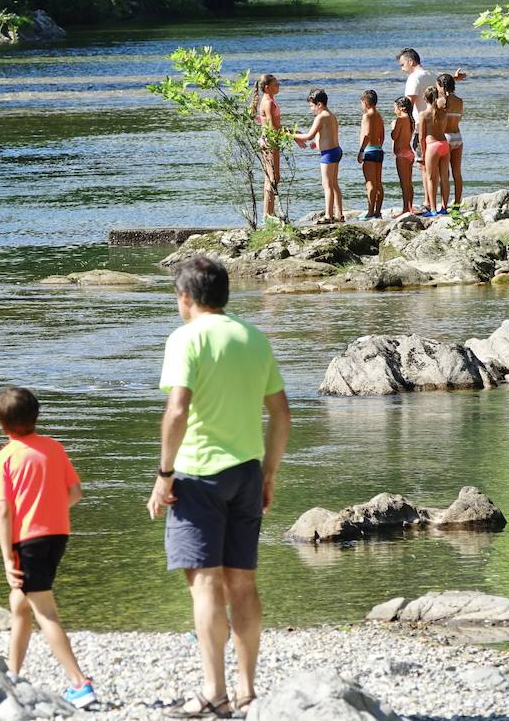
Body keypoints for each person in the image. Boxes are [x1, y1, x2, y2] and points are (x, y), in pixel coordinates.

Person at [148, 257, 291, 719]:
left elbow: (176, 412)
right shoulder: (254, 338)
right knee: (243, 584)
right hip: (247, 471)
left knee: (205, 583)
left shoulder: (185, 338)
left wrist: (164, 473)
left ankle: (214, 692)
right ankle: (248, 690)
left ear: (186, 298)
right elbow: (282, 414)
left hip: (197, 474)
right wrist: (268, 473)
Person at [0, 387, 96, 709]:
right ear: (37, 416)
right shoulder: (54, 448)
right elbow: (75, 491)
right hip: (57, 534)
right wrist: (51, 510)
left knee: (44, 611)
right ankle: (12, 676)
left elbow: (4, 511)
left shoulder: (4, 458)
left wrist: (7, 556)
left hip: (27, 540)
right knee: (20, 602)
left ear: (1, 425)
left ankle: (80, 683)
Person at [291, 89, 343, 223]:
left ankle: (328, 216)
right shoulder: (331, 115)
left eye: (312, 106)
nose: (311, 109)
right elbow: (328, 134)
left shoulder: (320, 117)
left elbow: (309, 136)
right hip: (336, 150)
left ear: (319, 104)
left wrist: (291, 135)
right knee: (334, 184)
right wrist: (317, 144)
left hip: (328, 154)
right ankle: (339, 214)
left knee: (327, 185)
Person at [251, 74, 282, 221]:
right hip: (270, 141)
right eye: (276, 84)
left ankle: (268, 214)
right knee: (273, 178)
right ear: (267, 87)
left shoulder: (268, 100)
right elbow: (272, 127)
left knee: (269, 178)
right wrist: (292, 134)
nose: (278, 86)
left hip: (267, 140)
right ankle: (268, 215)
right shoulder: (268, 102)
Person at [420, 85, 450, 216]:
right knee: (444, 178)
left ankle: (432, 209)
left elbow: (421, 136)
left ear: (425, 99)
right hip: (444, 144)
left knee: (431, 178)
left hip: (432, 146)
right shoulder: (443, 112)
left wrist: (423, 152)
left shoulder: (423, 114)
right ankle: (444, 208)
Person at [437, 74, 467, 208]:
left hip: (446, 136)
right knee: (457, 172)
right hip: (458, 136)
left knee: (444, 174)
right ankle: (457, 203)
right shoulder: (460, 101)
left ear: (441, 86)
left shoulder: (441, 101)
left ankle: (444, 205)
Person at [356, 89, 386, 219]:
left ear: (366, 103)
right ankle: (378, 211)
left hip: (369, 151)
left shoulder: (367, 116)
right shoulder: (379, 116)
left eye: (362, 102)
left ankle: (370, 211)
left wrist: (361, 150)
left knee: (370, 183)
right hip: (378, 150)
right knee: (378, 183)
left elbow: (367, 134)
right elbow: (383, 136)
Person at [389, 96, 416, 217]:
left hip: (402, 154)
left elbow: (394, 136)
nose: (394, 110)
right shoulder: (411, 119)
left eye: (395, 107)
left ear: (401, 108)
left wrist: (393, 126)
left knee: (404, 183)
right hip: (409, 152)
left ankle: (406, 208)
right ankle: (410, 206)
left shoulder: (400, 119)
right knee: (409, 182)